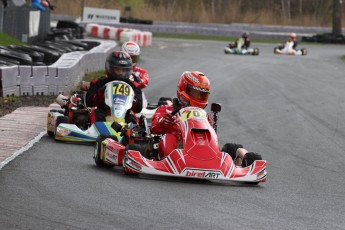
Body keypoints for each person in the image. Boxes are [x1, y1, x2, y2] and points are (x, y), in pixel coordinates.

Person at [151, 71, 212, 159]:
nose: (198, 98)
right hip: (175, 145)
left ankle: (210, 159)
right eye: (195, 93)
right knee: (169, 137)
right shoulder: (166, 109)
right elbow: (154, 128)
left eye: (202, 95)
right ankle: (170, 159)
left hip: (198, 145)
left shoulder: (204, 116)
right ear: (182, 89)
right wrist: (163, 122)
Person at [86, 51, 143, 123]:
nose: (121, 73)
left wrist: (133, 98)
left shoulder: (134, 86)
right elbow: (89, 103)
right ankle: (99, 130)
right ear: (110, 68)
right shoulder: (99, 82)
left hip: (124, 115)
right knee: (96, 113)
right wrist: (101, 92)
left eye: (124, 70)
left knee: (133, 119)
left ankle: (129, 133)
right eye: (117, 70)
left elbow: (138, 109)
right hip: (103, 113)